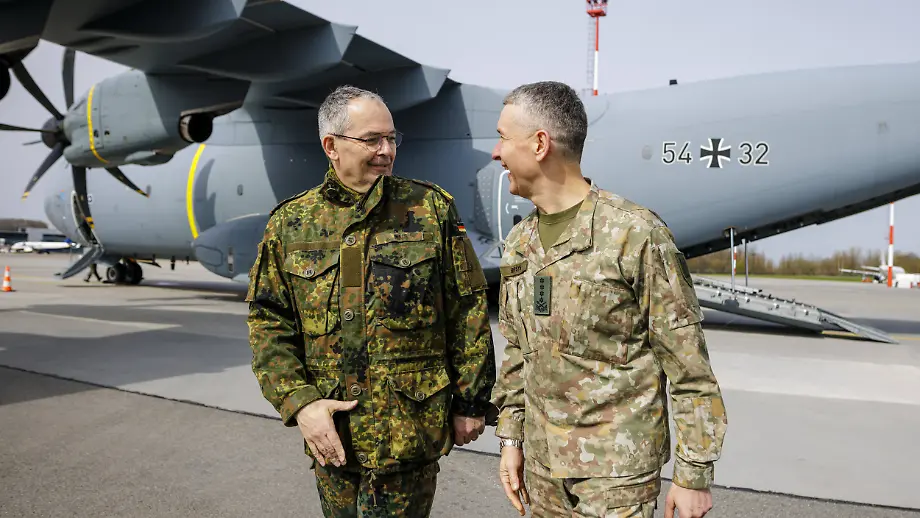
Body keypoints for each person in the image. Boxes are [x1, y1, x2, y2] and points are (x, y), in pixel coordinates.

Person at [246, 85, 496, 517]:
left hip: (410, 432)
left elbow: (467, 310)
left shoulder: (430, 209)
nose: (386, 150)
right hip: (333, 437)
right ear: (331, 146)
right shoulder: (291, 223)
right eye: (372, 140)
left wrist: (470, 402)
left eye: (392, 138)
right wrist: (299, 402)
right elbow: (268, 320)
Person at [489, 81, 728, 518]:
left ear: (540, 144)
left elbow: (689, 367)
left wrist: (693, 475)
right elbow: (519, 352)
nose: (496, 152)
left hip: (616, 477)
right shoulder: (520, 241)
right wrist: (511, 439)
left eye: (503, 137)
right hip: (542, 473)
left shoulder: (635, 234)